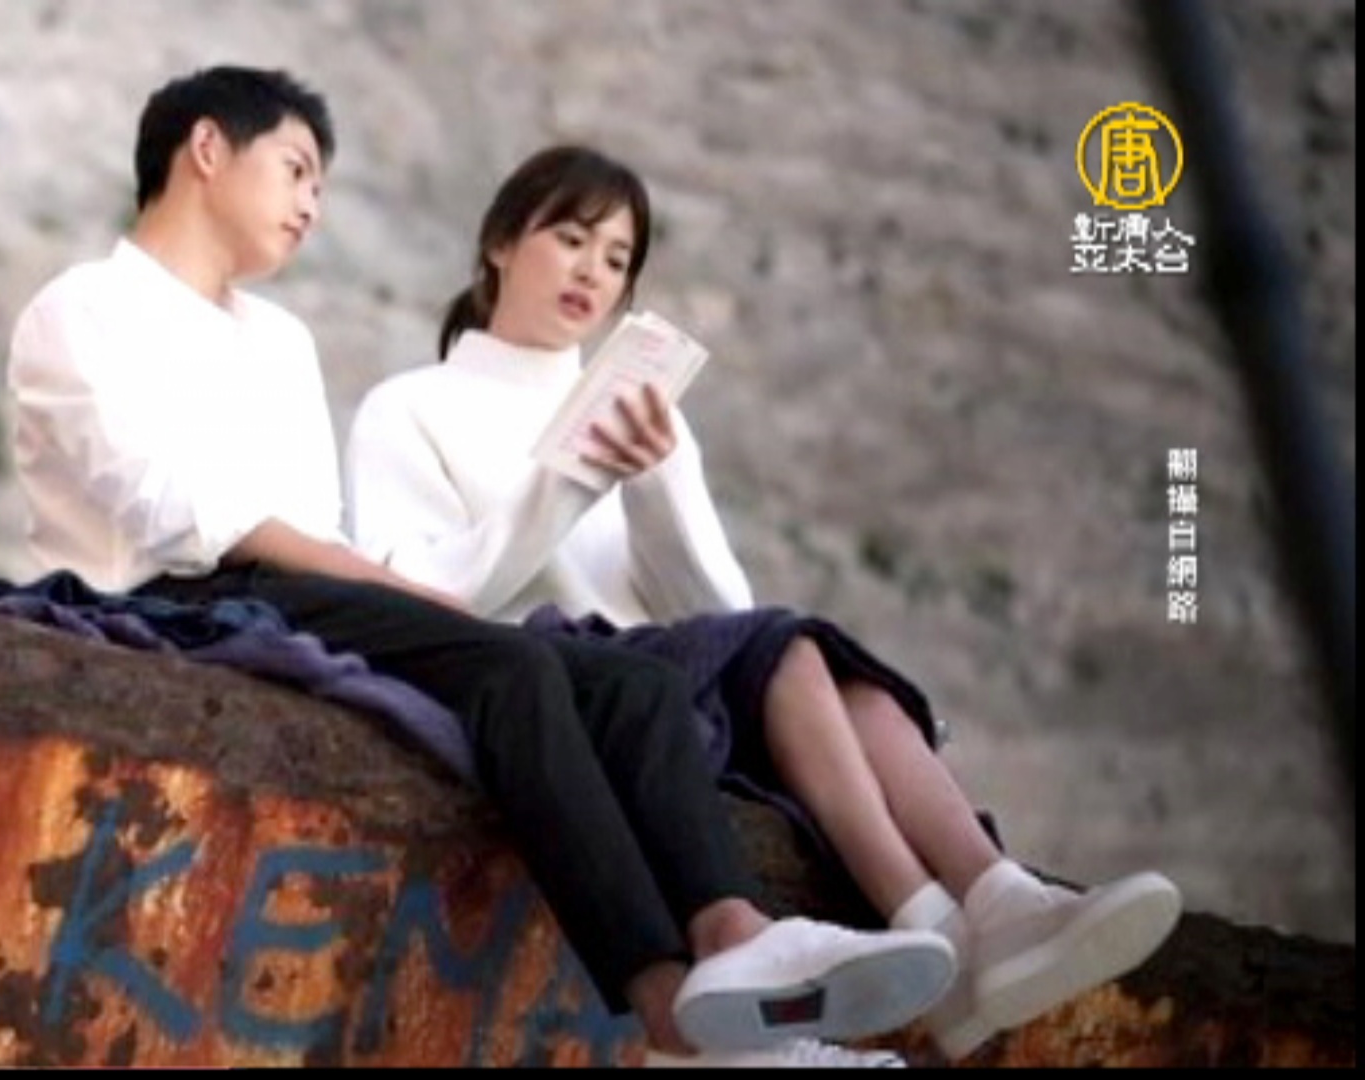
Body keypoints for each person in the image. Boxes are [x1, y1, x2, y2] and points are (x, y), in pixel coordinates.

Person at [6, 67, 959, 1068]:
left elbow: (315, 526)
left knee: (632, 687)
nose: (311, 205)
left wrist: (366, 581)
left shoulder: (282, 341)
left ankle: (735, 936)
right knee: (511, 667)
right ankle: (673, 1018)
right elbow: (163, 508)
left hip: (293, 592)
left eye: (319, 186)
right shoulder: (82, 307)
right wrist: (384, 585)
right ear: (207, 149)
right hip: (172, 599)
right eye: (296, 170)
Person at [343, 144, 1185, 1062]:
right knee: (786, 646)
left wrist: (657, 481)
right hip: (579, 682)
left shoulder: (648, 413)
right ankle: (933, 925)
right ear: (501, 243)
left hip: (681, 683)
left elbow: (720, 608)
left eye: (617, 259)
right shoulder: (409, 407)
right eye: (571, 240)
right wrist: (569, 481)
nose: (592, 272)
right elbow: (428, 597)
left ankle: (1001, 898)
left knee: (837, 674)